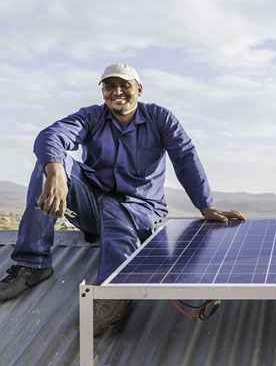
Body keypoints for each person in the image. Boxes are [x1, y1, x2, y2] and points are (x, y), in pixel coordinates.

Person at [0, 63, 245, 336]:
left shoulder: (159, 118)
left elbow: (185, 157)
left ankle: (112, 293)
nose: (117, 91)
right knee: (48, 164)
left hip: (138, 208)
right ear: (102, 91)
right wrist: (55, 171)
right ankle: (32, 264)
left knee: (119, 221)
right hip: (93, 202)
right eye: (109, 86)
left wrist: (205, 205)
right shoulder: (92, 117)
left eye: (124, 85)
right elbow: (51, 135)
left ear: (138, 89)